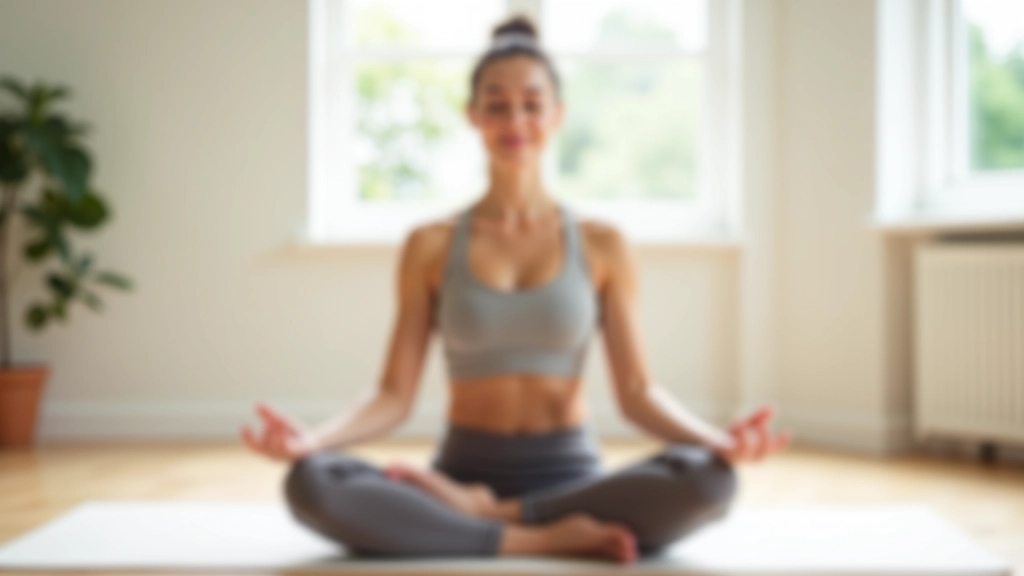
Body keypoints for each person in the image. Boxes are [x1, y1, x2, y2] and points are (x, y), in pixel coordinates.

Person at [242, 13, 791, 565]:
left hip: (571, 479)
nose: (516, 119)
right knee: (312, 481)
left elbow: (638, 392)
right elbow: (392, 395)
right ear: (473, 116)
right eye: (497, 103)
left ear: (558, 115)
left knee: (708, 479)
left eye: (532, 102)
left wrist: (716, 441)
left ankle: (488, 521)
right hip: (458, 474)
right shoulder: (430, 244)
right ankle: (540, 537)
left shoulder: (603, 244)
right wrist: (312, 441)